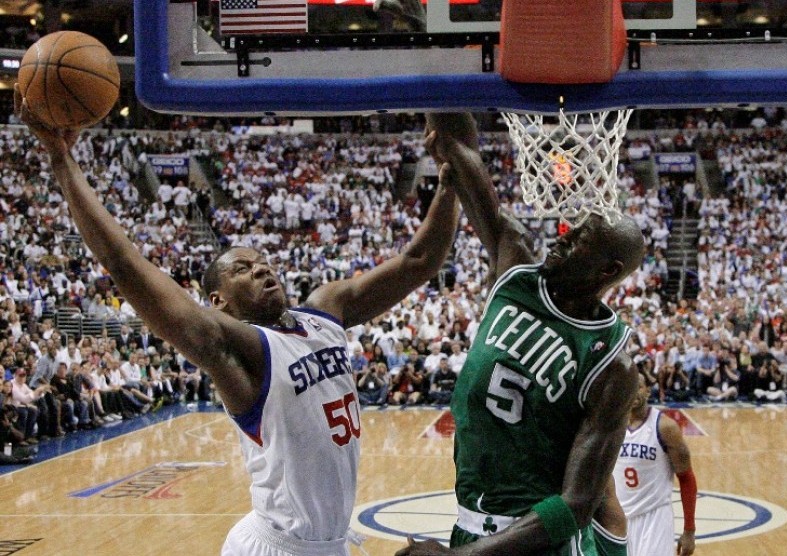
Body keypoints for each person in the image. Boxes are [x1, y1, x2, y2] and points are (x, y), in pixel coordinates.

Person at [15, 86, 459, 556]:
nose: (262, 268)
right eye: (242, 270)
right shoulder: (241, 350)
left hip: (327, 543)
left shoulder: (326, 311)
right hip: (280, 547)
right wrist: (61, 161)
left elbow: (419, 261)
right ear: (218, 301)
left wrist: (450, 180)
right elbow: (126, 264)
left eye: (263, 261)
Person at [397, 113, 645, 556]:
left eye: (578, 240)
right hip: (471, 523)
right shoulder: (516, 273)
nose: (561, 239)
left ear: (607, 271)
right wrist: (439, 90)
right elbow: (466, 156)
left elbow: (577, 505)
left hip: (536, 544)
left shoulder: (611, 364)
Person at [612, 374, 697, 556]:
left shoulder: (666, 428)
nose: (634, 392)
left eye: (639, 386)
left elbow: (686, 478)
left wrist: (689, 530)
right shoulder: (611, 427)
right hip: (618, 518)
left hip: (655, 519)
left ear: (648, 391)